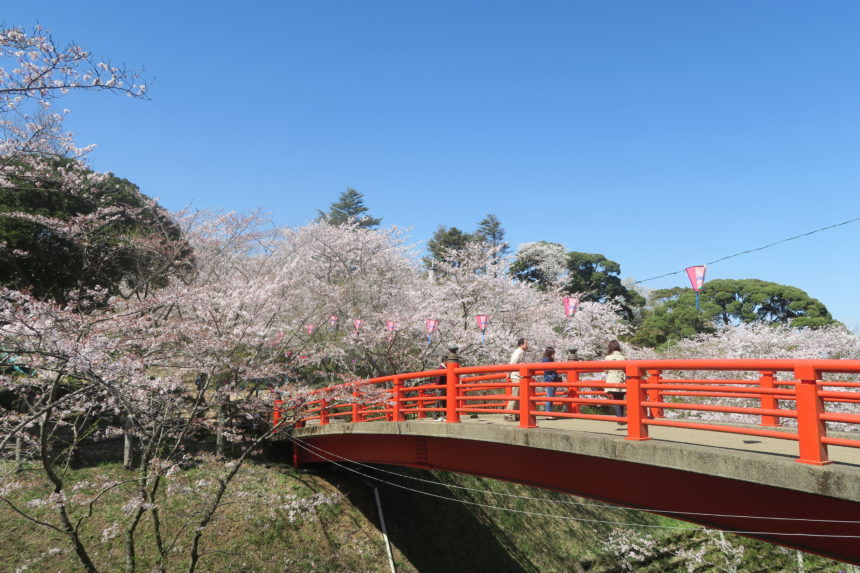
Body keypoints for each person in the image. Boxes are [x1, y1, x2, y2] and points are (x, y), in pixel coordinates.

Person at [505, 338, 528, 421]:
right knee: (515, 395)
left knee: (519, 396)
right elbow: (512, 363)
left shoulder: (521, 352)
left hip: (519, 376)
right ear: (521, 344)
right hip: (516, 376)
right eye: (526, 343)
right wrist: (508, 373)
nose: (527, 345)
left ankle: (518, 414)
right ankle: (508, 414)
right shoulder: (518, 352)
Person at [604, 340, 627, 422]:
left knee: (616, 399)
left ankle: (619, 417)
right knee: (621, 399)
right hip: (621, 380)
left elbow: (606, 370)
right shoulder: (623, 358)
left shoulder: (608, 358)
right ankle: (622, 417)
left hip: (612, 380)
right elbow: (626, 370)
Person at [542, 347, 560, 417]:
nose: (553, 355)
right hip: (550, 379)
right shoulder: (546, 360)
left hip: (552, 379)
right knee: (549, 397)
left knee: (551, 397)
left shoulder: (549, 359)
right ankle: (548, 414)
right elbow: (548, 370)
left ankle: (550, 413)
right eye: (553, 353)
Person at [434, 355, 447, 421]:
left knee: (444, 401)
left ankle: (445, 415)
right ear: (445, 361)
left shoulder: (444, 367)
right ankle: (436, 416)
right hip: (440, 387)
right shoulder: (441, 368)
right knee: (439, 401)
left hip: (444, 387)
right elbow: (438, 379)